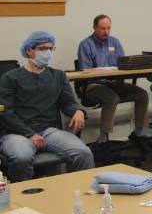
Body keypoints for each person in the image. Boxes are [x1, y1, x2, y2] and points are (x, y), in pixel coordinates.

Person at [0, 32, 94, 182]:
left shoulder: (58, 76)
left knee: (83, 153)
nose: (48, 52)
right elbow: (6, 113)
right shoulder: (10, 78)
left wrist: (78, 111)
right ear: (29, 51)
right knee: (21, 158)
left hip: (48, 131)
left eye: (51, 48)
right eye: (43, 48)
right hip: (17, 133)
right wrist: (30, 134)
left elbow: (68, 102)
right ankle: (22, 195)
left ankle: (84, 191)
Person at [76, 14, 149, 152]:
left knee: (142, 94)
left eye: (108, 28)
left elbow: (123, 64)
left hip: (114, 83)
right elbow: (86, 72)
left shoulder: (115, 42)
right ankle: (103, 137)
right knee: (111, 97)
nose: (106, 32)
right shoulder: (86, 45)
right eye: (102, 28)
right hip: (93, 85)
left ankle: (139, 133)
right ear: (94, 28)